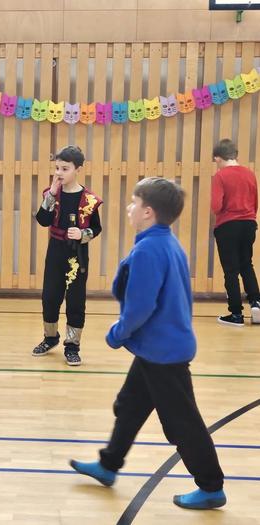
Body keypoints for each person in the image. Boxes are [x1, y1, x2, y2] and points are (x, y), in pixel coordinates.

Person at [70, 177, 226, 510]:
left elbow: (140, 307)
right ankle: (108, 465)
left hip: (163, 353)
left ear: (148, 212)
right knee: (130, 405)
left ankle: (211, 487)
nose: (129, 207)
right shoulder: (167, 243)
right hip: (158, 348)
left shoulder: (148, 250)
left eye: (134, 202)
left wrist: (118, 333)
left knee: (182, 423)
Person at [32, 145, 103, 366]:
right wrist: (52, 195)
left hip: (77, 255)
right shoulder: (52, 194)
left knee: (75, 300)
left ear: (78, 169)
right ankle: (50, 337)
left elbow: (96, 228)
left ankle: (72, 346)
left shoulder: (89, 199)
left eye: (65, 168)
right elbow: (42, 220)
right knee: (50, 297)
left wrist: (83, 234)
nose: (59, 173)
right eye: (57, 168)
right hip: (55, 251)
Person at [211, 139, 260, 326]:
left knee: (230, 270)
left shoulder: (221, 176)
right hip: (249, 223)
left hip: (228, 226)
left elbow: (216, 206)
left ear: (218, 158)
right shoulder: (249, 174)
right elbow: (255, 203)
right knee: (246, 264)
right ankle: (256, 303)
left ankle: (236, 314)